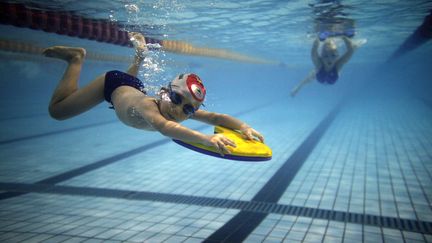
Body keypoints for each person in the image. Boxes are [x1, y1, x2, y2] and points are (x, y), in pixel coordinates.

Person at [43, 32, 264, 156]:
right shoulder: (151, 108)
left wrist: (243, 127)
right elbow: (167, 128)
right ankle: (76, 59)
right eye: (177, 100)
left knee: (131, 84)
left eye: (188, 109)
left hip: (132, 86)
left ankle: (139, 57)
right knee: (57, 111)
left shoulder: (178, 112)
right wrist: (207, 138)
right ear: (163, 94)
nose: (179, 110)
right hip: (111, 85)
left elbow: (215, 118)